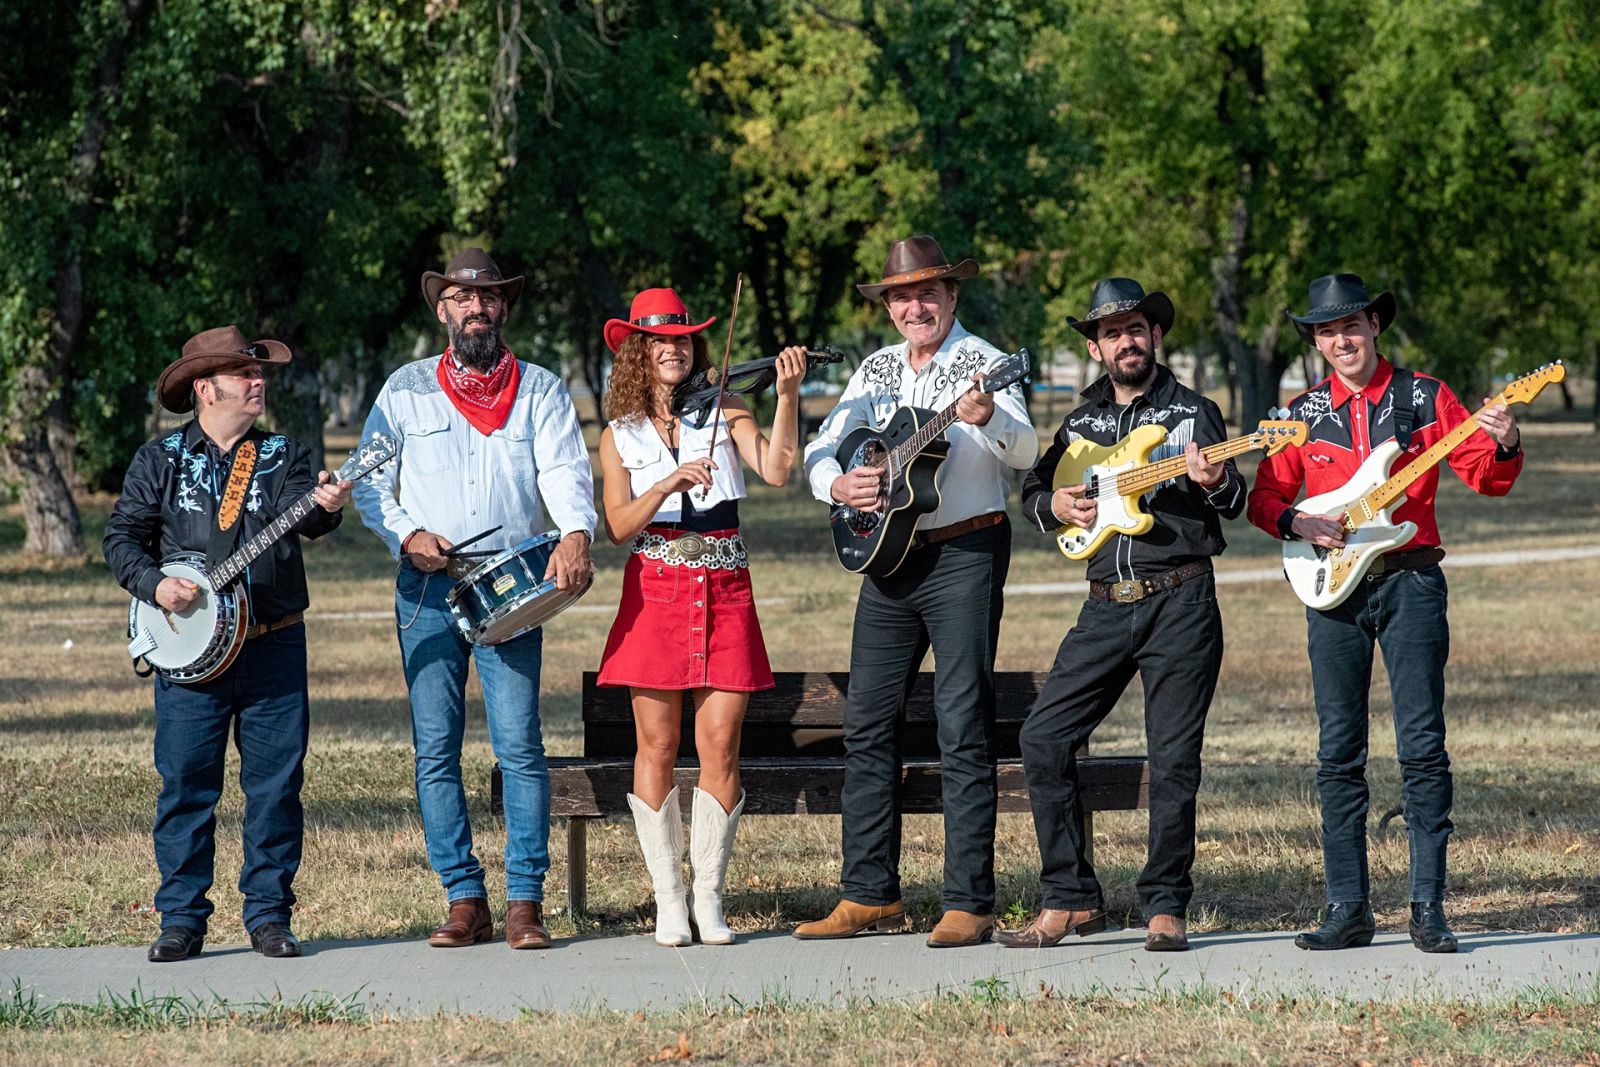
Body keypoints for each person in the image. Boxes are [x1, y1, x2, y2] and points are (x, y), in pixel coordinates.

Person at [1248, 273, 1523, 954]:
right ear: (1315, 340)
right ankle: (1348, 905)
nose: (1340, 340)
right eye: (1326, 331)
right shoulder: (1299, 410)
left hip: (1412, 583)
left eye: (1351, 326)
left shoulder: (1425, 395)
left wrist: (1507, 441)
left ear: (1374, 326)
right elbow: (1266, 499)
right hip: (1332, 592)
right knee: (1338, 751)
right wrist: (1300, 521)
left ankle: (1428, 907)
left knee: (1422, 747)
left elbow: (1484, 476)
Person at [793, 235, 1038, 948]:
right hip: (886, 555)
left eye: (928, 291)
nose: (915, 305)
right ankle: (870, 892)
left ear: (952, 296)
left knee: (961, 720)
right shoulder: (872, 370)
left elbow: (1025, 452)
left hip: (965, 549)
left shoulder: (986, 363)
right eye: (902, 295)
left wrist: (990, 418)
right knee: (866, 722)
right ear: (889, 305)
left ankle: (969, 899)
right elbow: (822, 447)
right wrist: (838, 483)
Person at [352, 248, 596, 950]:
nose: (476, 308)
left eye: (487, 297)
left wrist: (576, 532)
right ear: (442, 310)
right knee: (435, 748)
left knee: (519, 744)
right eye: (462, 298)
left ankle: (525, 900)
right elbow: (368, 480)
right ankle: (464, 896)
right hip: (427, 584)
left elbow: (565, 471)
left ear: (503, 307)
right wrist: (406, 534)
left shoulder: (542, 389)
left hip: (511, 583)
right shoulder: (403, 390)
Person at [997, 278, 1243, 954]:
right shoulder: (1079, 423)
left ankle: (1165, 904)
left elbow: (1235, 502)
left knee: (1172, 759)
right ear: (1095, 346)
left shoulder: (1196, 412)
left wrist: (1218, 480)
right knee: (1043, 738)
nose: (1126, 341)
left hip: (1182, 599)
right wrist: (1059, 508)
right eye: (1112, 333)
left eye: (1136, 328)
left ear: (1155, 335)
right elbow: (1034, 490)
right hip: (1104, 604)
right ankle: (1070, 896)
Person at [103, 326, 353, 962]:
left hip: (273, 645)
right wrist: (156, 586)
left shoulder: (287, 456)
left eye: (258, 371)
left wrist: (329, 504)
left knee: (275, 786)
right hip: (187, 655)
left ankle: (269, 917)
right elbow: (122, 541)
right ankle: (181, 919)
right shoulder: (157, 461)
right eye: (245, 373)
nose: (258, 381)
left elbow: (315, 517)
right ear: (204, 388)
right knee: (186, 783)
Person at [595, 287, 806, 946]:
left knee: (720, 746)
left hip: (726, 583)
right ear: (639, 350)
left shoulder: (729, 406)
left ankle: (709, 895)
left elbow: (776, 469)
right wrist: (663, 483)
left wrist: (789, 396)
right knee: (655, 745)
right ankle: (668, 899)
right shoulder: (618, 434)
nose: (674, 350)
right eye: (660, 341)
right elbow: (618, 525)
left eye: (683, 340)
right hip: (655, 584)